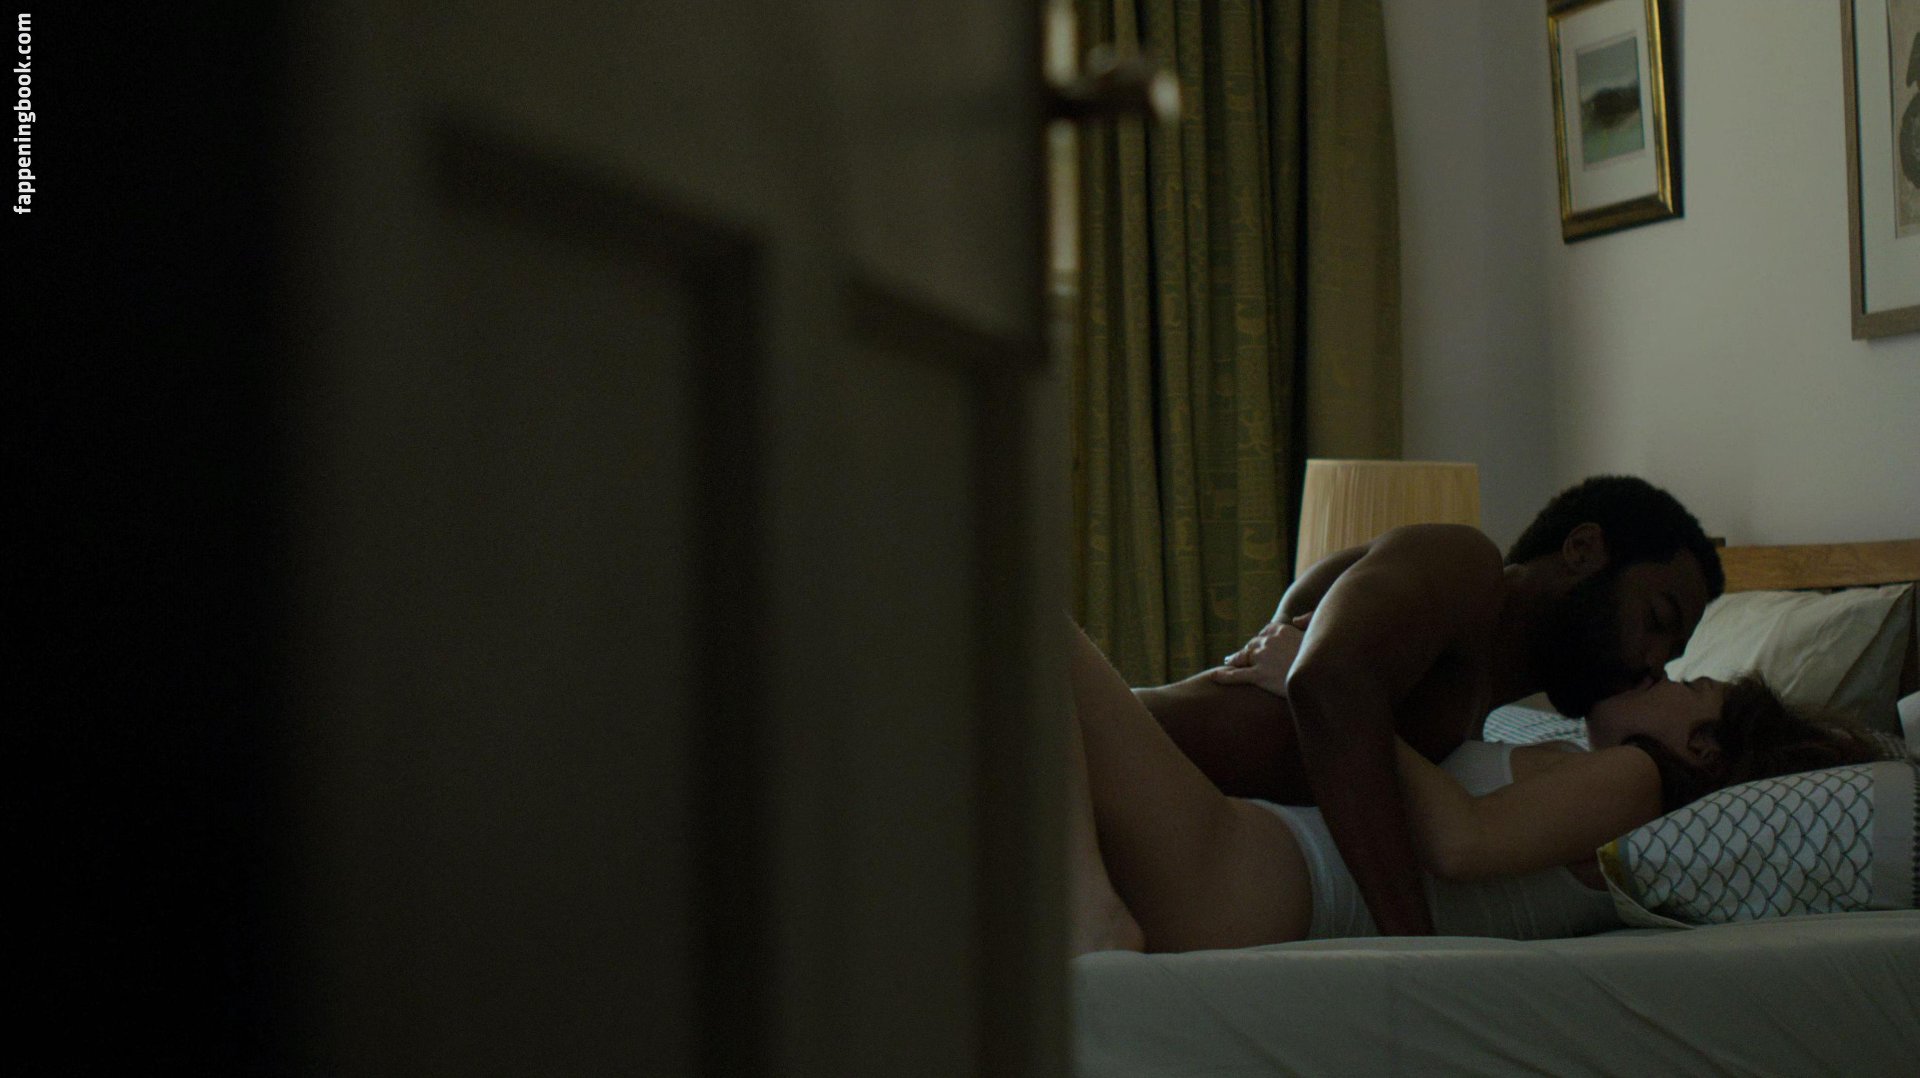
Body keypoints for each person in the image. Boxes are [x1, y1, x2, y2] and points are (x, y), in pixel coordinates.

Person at [1067, 618, 1890, 955]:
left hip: (1245, 876)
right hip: (1242, 868)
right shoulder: (1568, 757)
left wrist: (1324, 693)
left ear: (1702, 751)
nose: (1664, 675)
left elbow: (1462, 842)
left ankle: (1093, 908)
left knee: (1025, 611)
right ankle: (1085, 894)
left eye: (1693, 685)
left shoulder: (1638, 782)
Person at [1130, 475, 1725, 936]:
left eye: (1673, 657)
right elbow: (1328, 680)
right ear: (1583, 549)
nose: (1653, 664)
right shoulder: (1464, 566)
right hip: (1121, 755)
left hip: (1153, 834)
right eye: (1657, 620)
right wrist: (1414, 951)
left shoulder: (1480, 710)